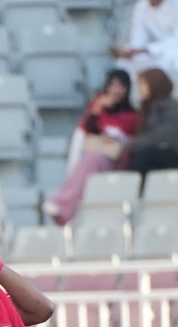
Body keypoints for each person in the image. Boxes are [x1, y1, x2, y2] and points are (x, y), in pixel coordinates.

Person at [45, 70, 139, 225]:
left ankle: (63, 205)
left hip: (116, 158)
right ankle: (64, 210)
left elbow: (134, 138)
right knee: (88, 161)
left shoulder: (133, 115)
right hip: (95, 153)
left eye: (120, 86)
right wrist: (96, 109)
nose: (116, 90)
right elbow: (87, 129)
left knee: (92, 160)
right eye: (112, 85)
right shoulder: (99, 109)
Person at [124, 68, 178, 174]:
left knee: (146, 157)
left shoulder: (170, 105)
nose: (140, 89)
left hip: (177, 154)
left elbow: (168, 134)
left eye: (143, 85)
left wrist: (134, 143)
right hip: (156, 155)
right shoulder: (146, 107)